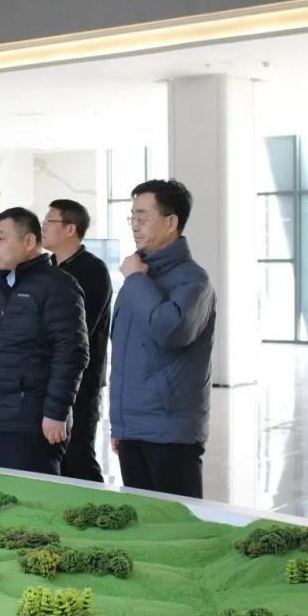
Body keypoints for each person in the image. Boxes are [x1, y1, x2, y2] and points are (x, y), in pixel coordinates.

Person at [110, 179, 216, 498]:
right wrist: (120, 424)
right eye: (132, 217)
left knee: (178, 521)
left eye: (143, 217)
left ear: (171, 223)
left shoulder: (193, 280)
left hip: (171, 433)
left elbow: (170, 331)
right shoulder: (139, 276)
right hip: (133, 429)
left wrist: (136, 279)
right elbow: (126, 355)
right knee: (142, 520)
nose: (135, 225)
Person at [0, 207, 89, 475]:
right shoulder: (10, 287)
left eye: (1, 238)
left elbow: (72, 352)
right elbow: (0, 350)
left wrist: (56, 413)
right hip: (5, 416)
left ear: (29, 241)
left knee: (35, 495)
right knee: (11, 492)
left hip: (34, 420)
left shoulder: (57, 286)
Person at [41, 200, 112, 482]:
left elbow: (78, 331)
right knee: (52, 459)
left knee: (77, 456)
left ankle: (96, 504)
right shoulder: (45, 268)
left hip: (81, 383)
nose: (42, 227)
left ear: (70, 228)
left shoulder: (92, 271)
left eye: (49, 221)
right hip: (46, 379)